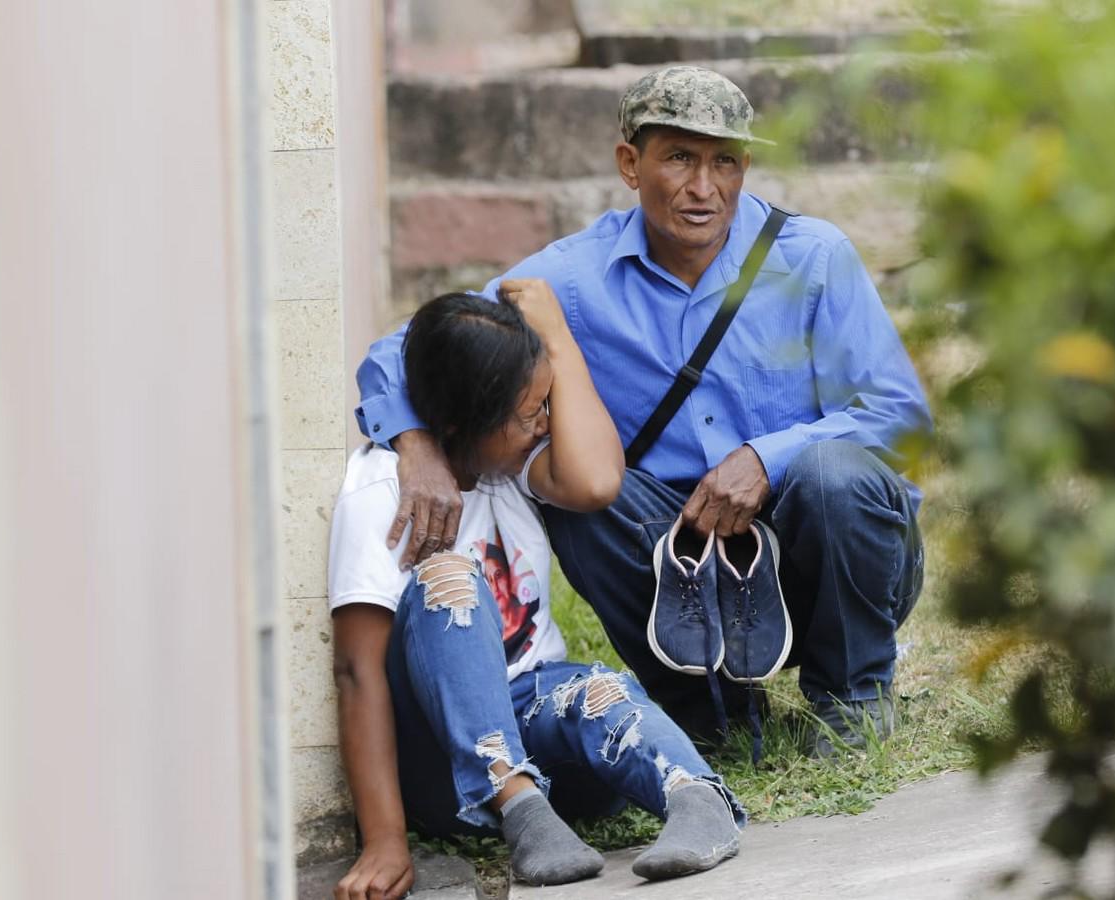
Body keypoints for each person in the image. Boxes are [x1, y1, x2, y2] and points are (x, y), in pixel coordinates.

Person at [355, 65, 932, 753]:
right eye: (680, 158)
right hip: (681, 572)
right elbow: (411, 348)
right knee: (584, 491)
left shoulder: (813, 258)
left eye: (724, 163)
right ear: (631, 164)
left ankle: (852, 699)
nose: (703, 188)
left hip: (827, 564)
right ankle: (702, 713)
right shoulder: (573, 278)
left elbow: (901, 413)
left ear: (745, 168)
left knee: (836, 472)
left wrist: (767, 459)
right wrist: (416, 445)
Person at [329, 283, 745, 900]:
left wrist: (556, 341)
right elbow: (357, 673)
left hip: (537, 725)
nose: (545, 426)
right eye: (529, 416)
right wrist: (384, 839)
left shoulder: (510, 466)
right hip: (447, 767)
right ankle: (519, 808)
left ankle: (694, 797)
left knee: (597, 687)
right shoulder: (381, 495)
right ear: (458, 424)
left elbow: (596, 479)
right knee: (449, 575)